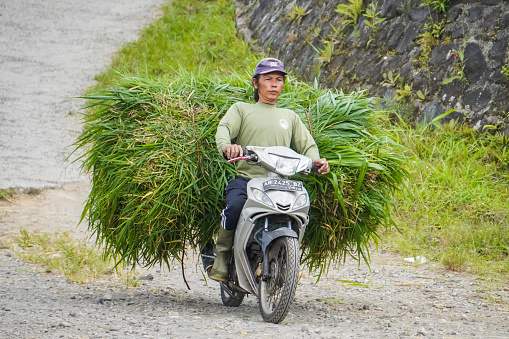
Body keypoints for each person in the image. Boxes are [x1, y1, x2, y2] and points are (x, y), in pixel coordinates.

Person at [208, 58, 329, 282]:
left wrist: (316, 161)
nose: (274, 84)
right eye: (268, 79)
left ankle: (285, 255)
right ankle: (222, 257)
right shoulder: (242, 110)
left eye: (279, 80)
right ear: (256, 84)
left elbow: (307, 145)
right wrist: (228, 146)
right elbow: (224, 128)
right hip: (247, 179)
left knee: (302, 213)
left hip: (280, 183)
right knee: (234, 206)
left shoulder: (289, 117)